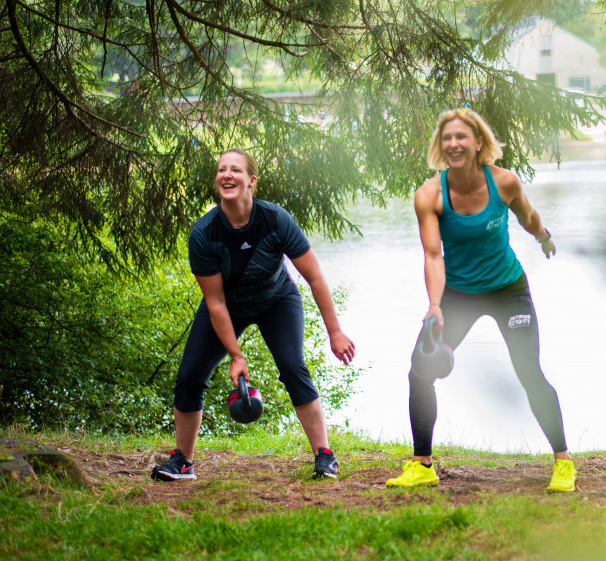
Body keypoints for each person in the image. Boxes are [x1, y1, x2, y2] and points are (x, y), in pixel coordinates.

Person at [386, 109, 576, 492]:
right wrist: (435, 304)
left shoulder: (504, 182)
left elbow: (528, 216)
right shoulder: (429, 195)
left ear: (478, 143)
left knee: (528, 371)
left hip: (507, 288)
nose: (453, 144)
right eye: (447, 138)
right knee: (419, 369)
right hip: (458, 294)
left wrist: (543, 237)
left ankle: (563, 463)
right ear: (441, 146)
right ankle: (422, 465)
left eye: (461, 137)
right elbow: (433, 255)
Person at [152, 148, 355, 482]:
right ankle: (183, 461)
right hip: (227, 307)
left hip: (277, 299)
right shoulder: (204, 233)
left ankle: (324, 455)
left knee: (293, 367)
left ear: (251, 181)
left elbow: (314, 277)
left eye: (235, 170)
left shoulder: (275, 219)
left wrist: (335, 332)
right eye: (221, 170)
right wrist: (236, 355)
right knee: (189, 376)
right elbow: (215, 303)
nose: (226, 175)